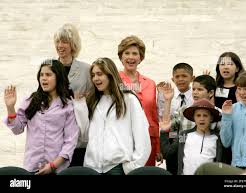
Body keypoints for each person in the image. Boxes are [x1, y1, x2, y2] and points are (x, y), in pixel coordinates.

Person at [3, 59, 79, 175]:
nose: (43, 78)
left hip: (57, 170)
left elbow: (70, 141)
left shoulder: (68, 106)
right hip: (32, 167)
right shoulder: (31, 101)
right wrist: (10, 108)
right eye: (41, 75)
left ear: (58, 77)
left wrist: (53, 166)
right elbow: (17, 129)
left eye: (48, 75)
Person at [81, 57, 151, 175]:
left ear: (110, 75)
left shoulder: (129, 99)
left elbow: (142, 136)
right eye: (93, 75)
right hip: (92, 167)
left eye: (99, 74)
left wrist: (131, 167)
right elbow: (84, 135)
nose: (95, 78)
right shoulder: (92, 101)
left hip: (117, 168)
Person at [117, 35, 161, 166]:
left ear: (140, 57)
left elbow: (154, 116)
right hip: (125, 141)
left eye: (135, 53)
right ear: (121, 57)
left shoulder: (151, 83)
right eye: (127, 53)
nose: (131, 57)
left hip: (148, 141)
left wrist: (158, 146)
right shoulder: (115, 81)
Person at [53, 23, 91, 166]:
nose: (60, 45)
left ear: (73, 44)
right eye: (57, 41)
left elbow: (92, 99)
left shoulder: (86, 69)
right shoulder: (49, 67)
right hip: (55, 134)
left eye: (64, 42)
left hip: (78, 135)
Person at [161, 99, 223, 175]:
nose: (202, 119)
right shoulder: (184, 135)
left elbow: (221, 164)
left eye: (205, 115)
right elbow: (168, 153)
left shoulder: (217, 138)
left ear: (211, 118)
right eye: (198, 115)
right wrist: (164, 132)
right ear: (194, 118)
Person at [220, 70, 246, 169]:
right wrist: (226, 116)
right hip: (236, 165)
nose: (242, 93)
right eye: (239, 88)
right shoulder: (233, 108)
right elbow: (226, 142)